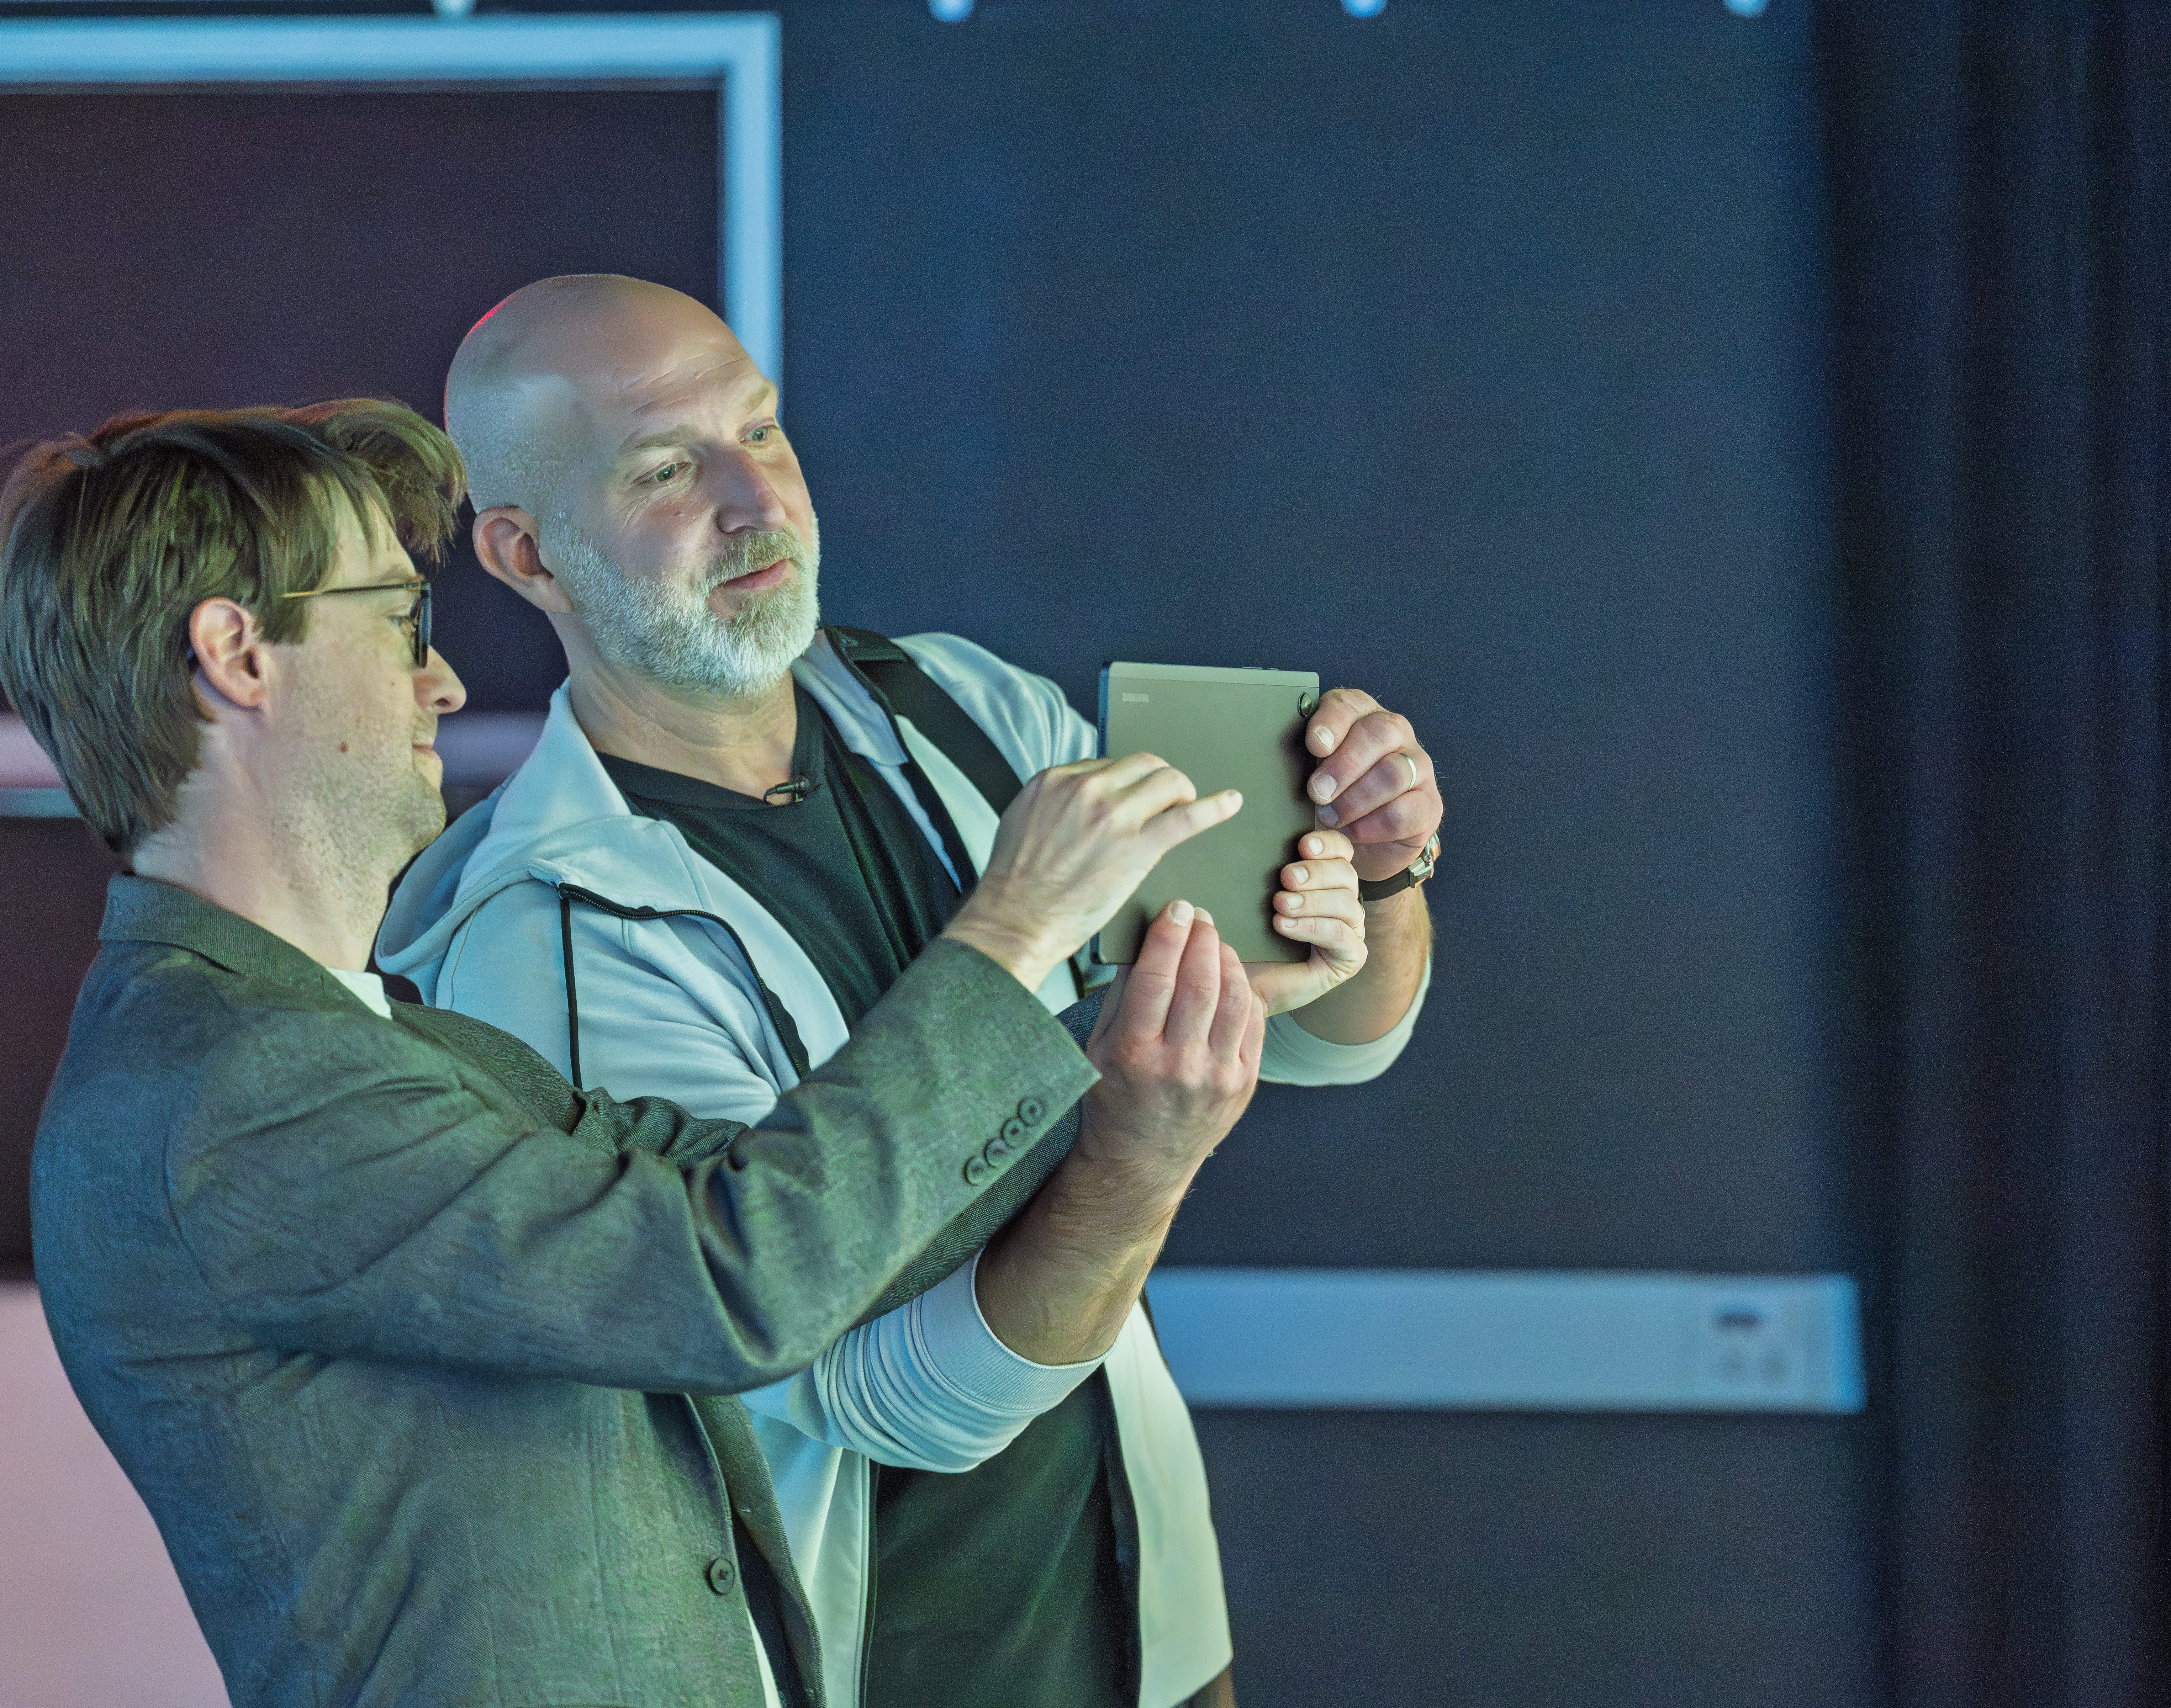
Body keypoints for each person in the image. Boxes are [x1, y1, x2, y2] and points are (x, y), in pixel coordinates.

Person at [11, 398, 1263, 1707]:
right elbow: (739, 1275)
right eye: (397, 621)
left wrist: (1139, 1032)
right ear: (239, 655)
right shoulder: (234, 1094)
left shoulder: (377, 1043)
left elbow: (786, 1194)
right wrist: (1011, 930)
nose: (441, 680)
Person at [381, 275, 1444, 1708]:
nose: (757, 500)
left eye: (762, 430)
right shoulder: (543, 938)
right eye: (666, 468)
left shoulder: (964, 707)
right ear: (526, 554)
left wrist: (1374, 878)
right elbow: (888, 1401)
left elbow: (1329, 1037)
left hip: (1155, 1646)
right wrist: (1132, 1137)